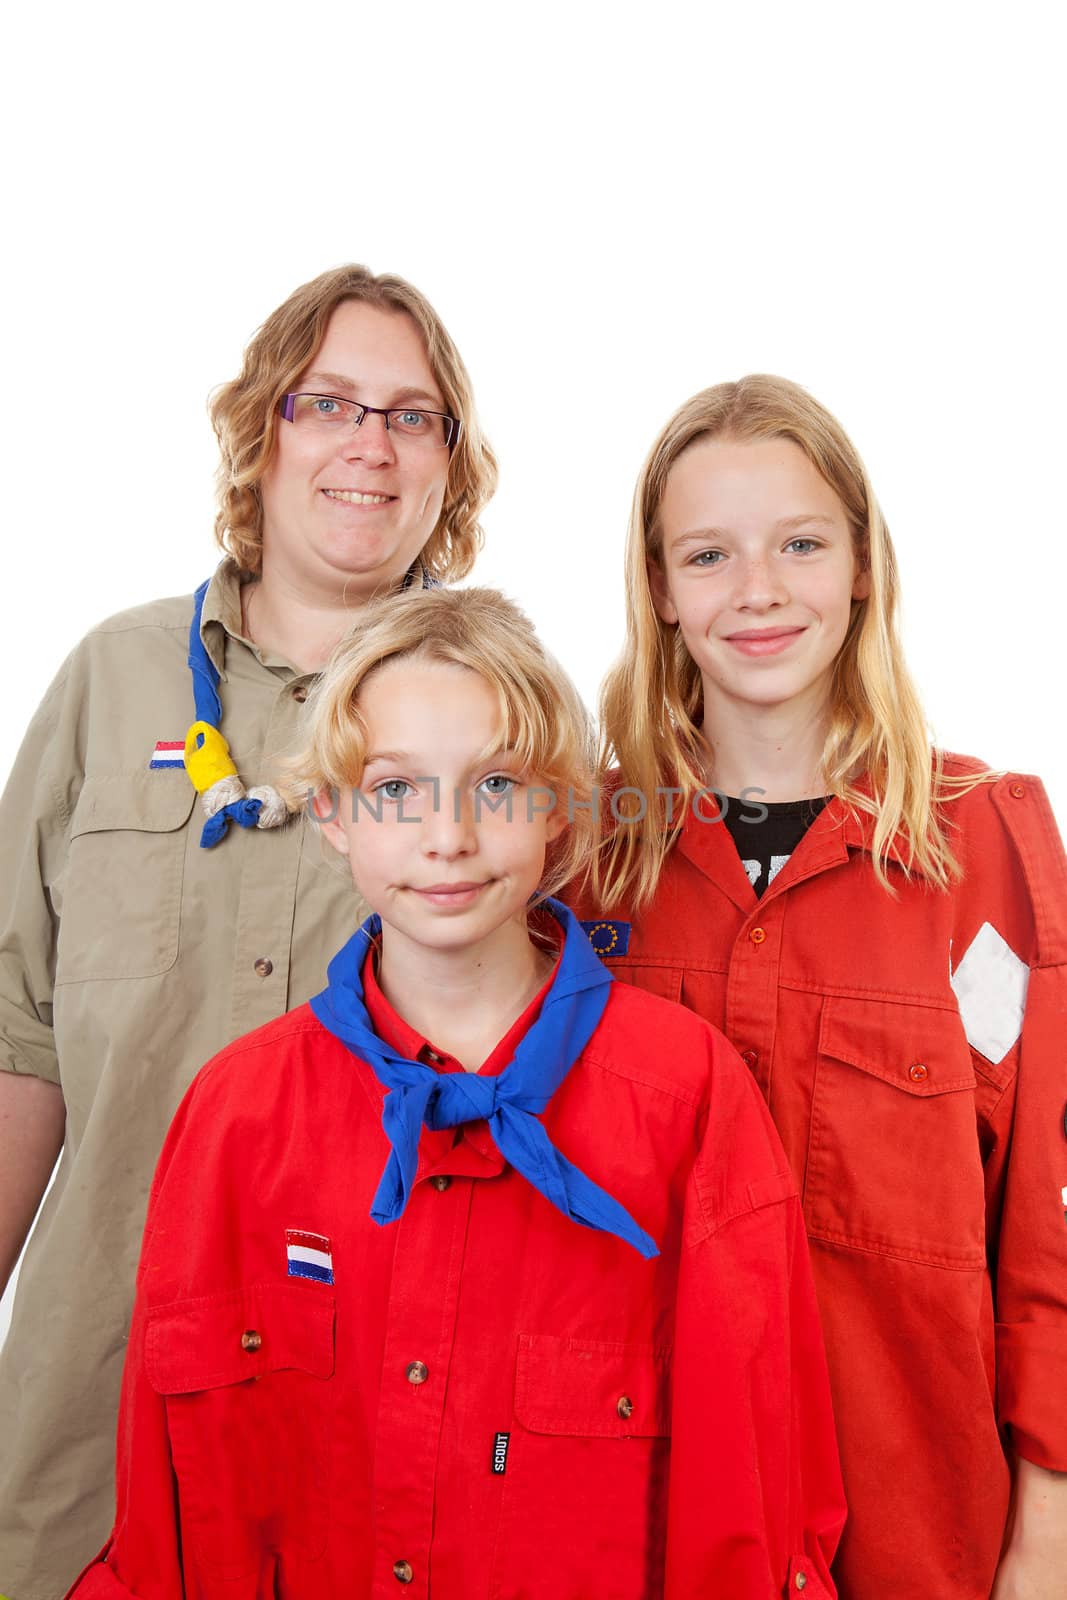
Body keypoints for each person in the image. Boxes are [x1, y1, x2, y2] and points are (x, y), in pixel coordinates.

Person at [65, 586, 844, 1599]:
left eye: (497, 785)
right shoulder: (234, 1114)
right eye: (395, 790)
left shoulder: (686, 1100)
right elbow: (161, 1520)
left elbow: (748, 1518)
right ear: (334, 814)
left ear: (561, 809)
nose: (448, 836)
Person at [0, 264, 497, 1600]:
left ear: (451, 465)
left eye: (412, 416)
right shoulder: (112, 681)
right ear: (258, 434)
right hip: (83, 1406)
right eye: (325, 401)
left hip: (363, 1410)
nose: (367, 443)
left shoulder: (504, 724)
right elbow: (19, 1047)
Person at [569, 375, 1067, 1600]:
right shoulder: (584, 864)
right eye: (707, 553)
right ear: (660, 590)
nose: (756, 590)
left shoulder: (985, 849)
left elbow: (1049, 1223)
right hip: (635, 1527)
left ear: (857, 564)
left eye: (798, 542)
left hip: (916, 1537)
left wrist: (1046, 1534)